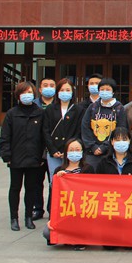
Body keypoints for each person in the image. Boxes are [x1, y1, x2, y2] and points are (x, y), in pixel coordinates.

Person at [0, 81, 46, 231]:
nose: (27, 95)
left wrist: (42, 156)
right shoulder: (12, 114)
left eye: (30, 92)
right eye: (24, 93)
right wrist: (6, 155)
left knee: (31, 189)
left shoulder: (39, 113)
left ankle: (28, 217)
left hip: (34, 158)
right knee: (15, 188)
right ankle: (14, 218)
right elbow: (5, 136)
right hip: (16, 158)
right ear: (18, 95)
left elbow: (44, 136)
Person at [43, 78, 85, 214]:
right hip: (54, 153)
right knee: (55, 181)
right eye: (62, 90)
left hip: (71, 153)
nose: (65, 92)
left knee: (71, 182)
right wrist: (53, 150)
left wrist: (67, 150)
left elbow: (78, 131)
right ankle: (53, 210)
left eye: (68, 90)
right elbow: (45, 131)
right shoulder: (50, 109)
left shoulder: (78, 110)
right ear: (57, 92)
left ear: (72, 92)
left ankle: (71, 209)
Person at [42, 138, 94, 248]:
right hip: (65, 214)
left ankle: (75, 238)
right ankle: (69, 237)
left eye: (77, 149)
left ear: (82, 152)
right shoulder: (59, 170)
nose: (74, 152)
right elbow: (53, 198)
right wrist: (52, 219)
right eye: (71, 150)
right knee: (47, 233)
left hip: (81, 213)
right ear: (66, 152)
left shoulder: (88, 169)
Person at [80, 77, 126, 170]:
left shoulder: (119, 108)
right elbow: (85, 127)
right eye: (102, 89)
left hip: (111, 152)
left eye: (108, 89)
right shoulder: (93, 107)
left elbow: (121, 130)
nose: (104, 92)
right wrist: (93, 146)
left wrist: (104, 147)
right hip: (92, 152)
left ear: (113, 92)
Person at [31, 76, 57, 218]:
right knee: (36, 181)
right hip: (37, 149)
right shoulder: (33, 105)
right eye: (45, 85)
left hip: (54, 150)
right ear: (40, 89)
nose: (48, 88)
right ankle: (37, 208)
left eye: (52, 85)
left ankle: (52, 208)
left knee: (54, 181)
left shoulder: (59, 105)